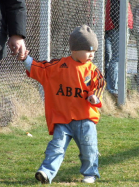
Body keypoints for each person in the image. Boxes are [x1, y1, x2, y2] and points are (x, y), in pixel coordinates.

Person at [18, 25, 106, 184]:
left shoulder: (93, 70)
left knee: (89, 149)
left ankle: (90, 173)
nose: (92, 55)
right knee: (56, 148)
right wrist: (26, 59)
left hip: (85, 119)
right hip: (62, 119)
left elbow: (100, 84)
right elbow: (41, 68)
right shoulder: (59, 66)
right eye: (88, 51)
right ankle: (45, 172)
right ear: (75, 50)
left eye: (94, 52)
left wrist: (94, 97)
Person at [105, 0, 133, 96]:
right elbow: (115, 11)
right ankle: (113, 89)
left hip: (118, 27)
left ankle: (115, 87)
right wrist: (121, 26)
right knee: (117, 58)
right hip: (118, 28)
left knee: (116, 58)